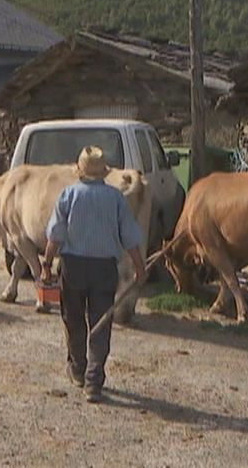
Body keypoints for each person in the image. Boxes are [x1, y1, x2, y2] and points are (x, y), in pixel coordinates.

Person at [40, 146, 148, 403]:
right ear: (102, 173)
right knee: (101, 322)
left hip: (73, 267)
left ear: (80, 172)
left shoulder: (69, 195)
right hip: (103, 269)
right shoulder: (116, 198)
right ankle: (93, 382)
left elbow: (55, 234)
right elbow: (130, 237)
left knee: (74, 318)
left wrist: (46, 263)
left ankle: (78, 369)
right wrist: (140, 267)